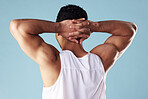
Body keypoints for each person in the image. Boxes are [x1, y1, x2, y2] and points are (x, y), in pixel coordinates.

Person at [9, 4, 137, 99]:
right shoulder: (101, 60)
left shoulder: (53, 61)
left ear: (58, 34)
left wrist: (58, 27)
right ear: (85, 34)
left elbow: (17, 26)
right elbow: (130, 30)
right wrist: (93, 26)